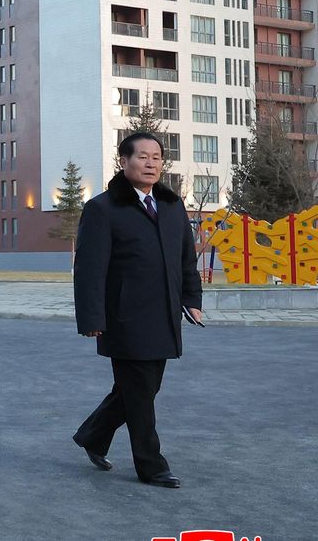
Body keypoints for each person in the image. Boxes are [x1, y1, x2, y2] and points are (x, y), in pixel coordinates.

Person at [72, 132, 203, 489]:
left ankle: (92, 435)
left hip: (163, 316)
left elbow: (185, 260)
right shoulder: (102, 208)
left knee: (139, 390)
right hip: (124, 318)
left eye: (157, 157)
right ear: (123, 161)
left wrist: (192, 299)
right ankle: (152, 465)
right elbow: (89, 269)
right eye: (142, 157)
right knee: (141, 394)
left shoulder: (172, 206)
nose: (150, 163)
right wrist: (92, 318)